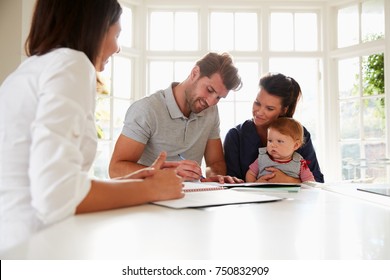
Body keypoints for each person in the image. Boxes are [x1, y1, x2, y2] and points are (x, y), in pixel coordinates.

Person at [0, 0, 183, 254]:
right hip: (33, 248)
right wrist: (150, 189)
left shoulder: (29, 69)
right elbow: (57, 196)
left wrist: (128, 182)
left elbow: (48, 180)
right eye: (117, 34)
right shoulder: (71, 64)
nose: (118, 48)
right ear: (94, 26)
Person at [109, 52, 244, 183]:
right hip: (149, 197)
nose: (211, 102)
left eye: (219, 97)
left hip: (192, 198)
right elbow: (115, 169)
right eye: (209, 90)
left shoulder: (211, 111)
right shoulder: (147, 109)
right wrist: (167, 173)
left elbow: (215, 162)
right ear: (195, 73)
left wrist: (214, 177)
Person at [224, 72, 324, 183]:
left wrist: (288, 180)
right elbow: (231, 185)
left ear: (283, 110)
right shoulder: (235, 136)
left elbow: (317, 182)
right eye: (257, 103)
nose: (259, 112)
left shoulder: (299, 134)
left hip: (293, 200)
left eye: (270, 108)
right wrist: (255, 185)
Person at [246, 117, 315, 183]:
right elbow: (250, 174)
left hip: (289, 195)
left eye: (279, 141)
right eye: (270, 140)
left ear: (295, 145)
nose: (273, 145)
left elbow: (310, 183)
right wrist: (255, 184)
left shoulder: (300, 163)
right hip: (263, 194)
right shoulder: (262, 157)